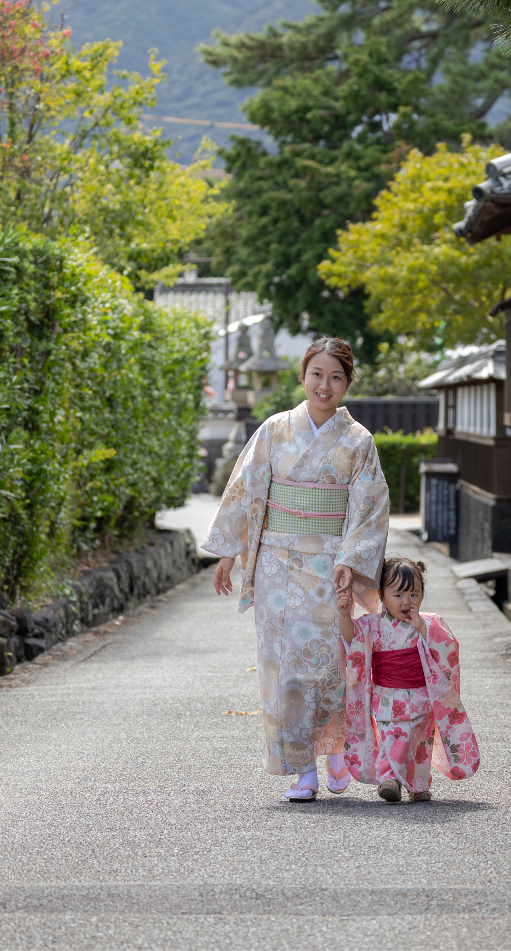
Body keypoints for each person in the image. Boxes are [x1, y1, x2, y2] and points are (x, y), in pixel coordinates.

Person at [204, 337, 390, 803]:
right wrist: (230, 550)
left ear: (348, 383)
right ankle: (301, 768)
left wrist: (350, 561)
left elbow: (368, 508)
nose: (324, 385)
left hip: (332, 565)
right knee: (283, 668)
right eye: (316, 374)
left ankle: (336, 751)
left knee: (330, 664)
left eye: (335, 377)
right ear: (302, 375)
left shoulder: (358, 442)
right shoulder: (274, 430)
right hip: (276, 564)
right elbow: (246, 491)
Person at [337, 557, 480, 803]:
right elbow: (352, 636)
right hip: (388, 696)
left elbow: (447, 648)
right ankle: (389, 779)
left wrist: (423, 629)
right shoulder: (374, 624)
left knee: (420, 743)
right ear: (382, 596)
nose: (407, 602)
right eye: (399, 595)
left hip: (422, 696)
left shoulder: (429, 622)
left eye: (414, 595)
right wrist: (343, 614)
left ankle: (418, 784)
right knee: (393, 737)